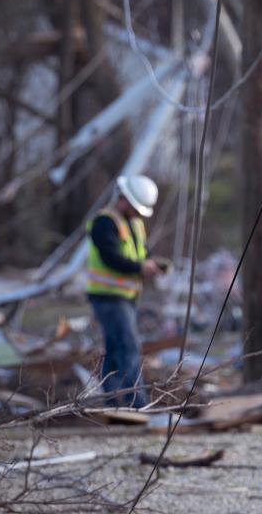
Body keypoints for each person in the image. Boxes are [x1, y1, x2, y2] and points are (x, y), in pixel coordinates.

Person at [86, 175, 163, 408]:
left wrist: (152, 264)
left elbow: (141, 253)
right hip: (108, 297)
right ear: (125, 199)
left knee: (114, 348)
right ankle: (137, 404)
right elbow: (111, 259)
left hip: (126, 297)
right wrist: (140, 268)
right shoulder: (104, 223)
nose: (138, 213)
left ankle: (111, 402)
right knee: (129, 346)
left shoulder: (135, 224)